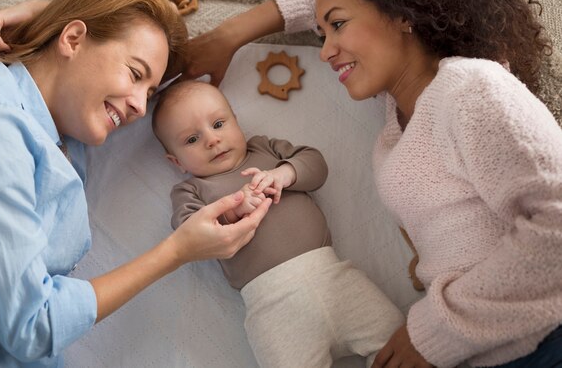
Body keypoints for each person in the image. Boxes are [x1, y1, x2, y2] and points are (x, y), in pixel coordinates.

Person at [0, 0, 562, 367]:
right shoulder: (398, 113)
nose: (324, 50)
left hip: (525, 340)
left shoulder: (467, 89)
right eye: (321, 31)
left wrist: (433, 332)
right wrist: (231, 33)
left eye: (336, 28)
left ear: (403, 10)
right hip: (467, 342)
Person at [0, 0, 271, 367]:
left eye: (148, 92)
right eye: (135, 74)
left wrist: (42, 15)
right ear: (73, 40)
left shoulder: (64, 136)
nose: (141, 107)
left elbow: (177, 82)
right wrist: (176, 251)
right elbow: (31, 325)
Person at [151, 79, 405, 368]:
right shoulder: (190, 191)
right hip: (272, 307)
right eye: (192, 140)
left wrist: (285, 174)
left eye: (219, 124)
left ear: (236, 120)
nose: (212, 140)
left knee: (396, 338)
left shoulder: (264, 150)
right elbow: (190, 234)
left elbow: (315, 163)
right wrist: (233, 211)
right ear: (176, 162)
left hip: (335, 279)